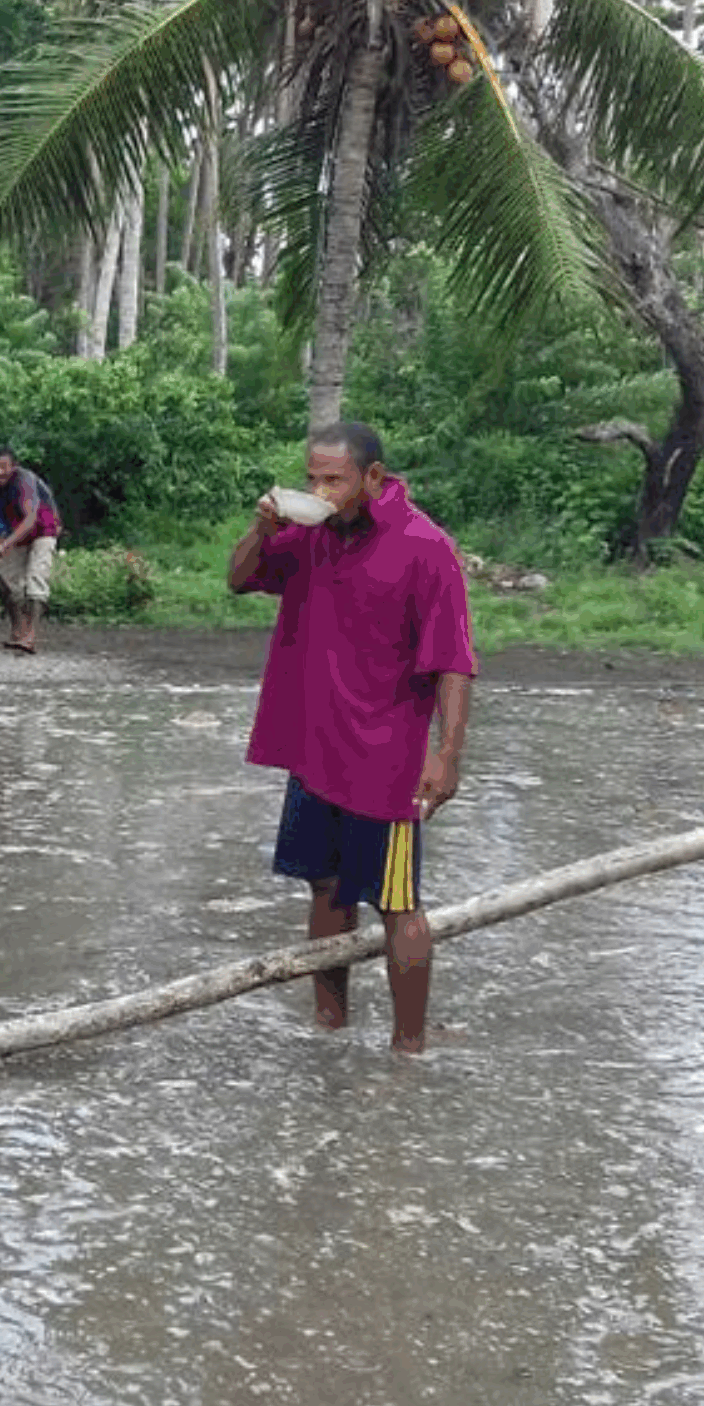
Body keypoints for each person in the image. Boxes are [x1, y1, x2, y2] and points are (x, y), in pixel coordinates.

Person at [229, 421, 475, 1053]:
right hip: (314, 751)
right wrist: (263, 526)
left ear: (373, 478)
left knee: (398, 903)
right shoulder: (308, 538)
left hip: (384, 762)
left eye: (333, 479)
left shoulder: (426, 547)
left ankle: (408, 1052)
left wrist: (446, 757)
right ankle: (329, 1029)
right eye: (312, 478)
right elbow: (238, 579)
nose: (321, 489)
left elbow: (454, 661)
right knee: (324, 888)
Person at [0, 448, 61, 654]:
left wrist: (3, 545)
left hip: (43, 529)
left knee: (36, 579)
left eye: (4, 467)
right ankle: (18, 630)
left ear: (14, 467)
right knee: (6, 581)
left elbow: (30, 519)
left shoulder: (24, 482)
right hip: (14, 531)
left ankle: (30, 636)